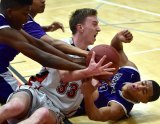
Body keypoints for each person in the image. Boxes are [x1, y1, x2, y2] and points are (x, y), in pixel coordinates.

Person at [0, 0, 88, 104]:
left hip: (2, 67)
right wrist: (85, 68)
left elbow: (37, 43)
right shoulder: (5, 30)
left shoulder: (10, 21)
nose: (26, 18)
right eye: (24, 14)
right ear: (10, 12)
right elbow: (43, 56)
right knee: (21, 104)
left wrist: (75, 60)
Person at [0, 52, 115, 124]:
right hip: (36, 91)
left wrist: (88, 92)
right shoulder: (62, 50)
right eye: (94, 24)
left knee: (42, 114)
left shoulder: (94, 81)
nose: (98, 28)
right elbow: (65, 76)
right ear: (80, 27)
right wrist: (88, 72)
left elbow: (94, 98)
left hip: (56, 110)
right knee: (14, 105)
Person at [78, 30, 160, 121]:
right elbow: (117, 49)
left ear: (144, 101)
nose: (139, 86)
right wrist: (118, 38)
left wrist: (87, 94)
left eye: (144, 91)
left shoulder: (119, 108)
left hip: (76, 97)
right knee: (91, 54)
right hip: (82, 75)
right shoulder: (132, 72)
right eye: (143, 83)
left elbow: (96, 115)